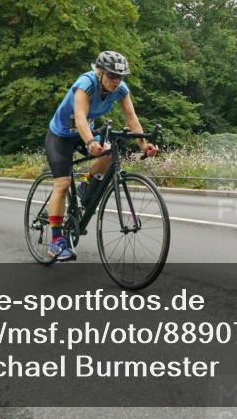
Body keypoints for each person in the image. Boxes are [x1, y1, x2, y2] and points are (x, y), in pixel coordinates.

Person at [44, 51, 159, 261]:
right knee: (61, 184)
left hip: (85, 132)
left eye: (120, 77)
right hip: (61, 135)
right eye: (112, 76)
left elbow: (131, 118)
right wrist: (90, 142)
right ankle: (56, 241)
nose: (116, 81)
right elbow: (79, 117)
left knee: (110, 150)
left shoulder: (121, 90)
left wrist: (144, 145)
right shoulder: (85, 83)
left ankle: (86, 186)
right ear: (100, 73)